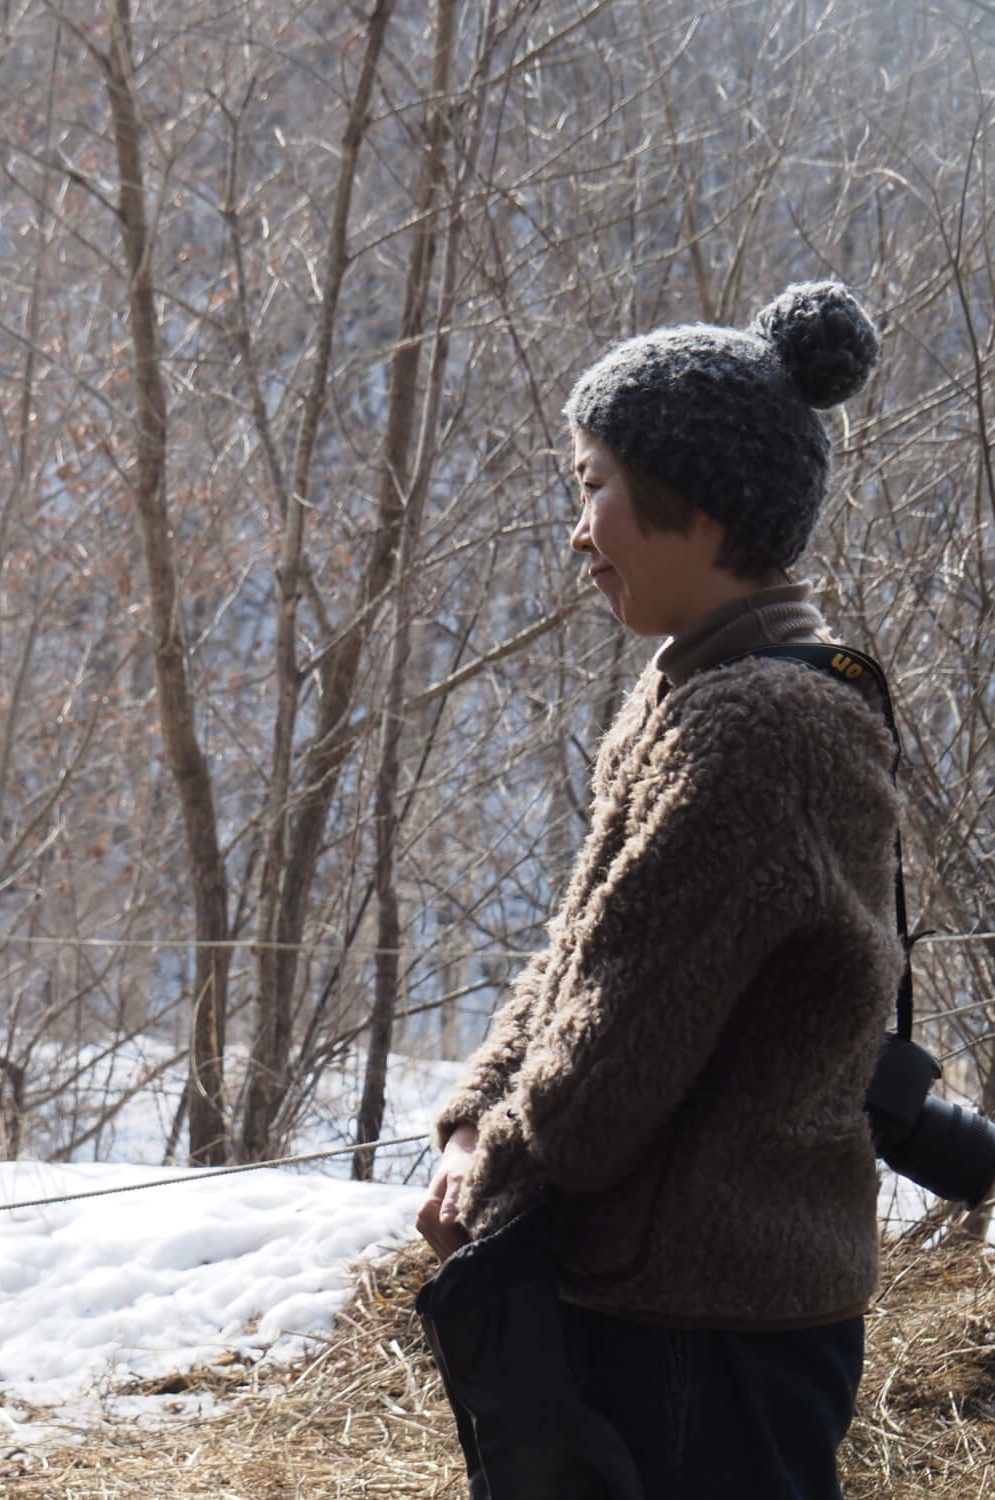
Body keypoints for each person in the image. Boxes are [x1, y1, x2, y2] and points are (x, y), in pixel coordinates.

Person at [417, 282, 898, 1498]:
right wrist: (474, 1115)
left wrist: (494, 1160)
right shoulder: (697, 685)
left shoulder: (759, 727)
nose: (577, 532)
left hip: (706, 1334)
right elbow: (582, 948)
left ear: (698, 502)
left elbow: (608, 1063)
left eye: (593, 486)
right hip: (675, 1305)